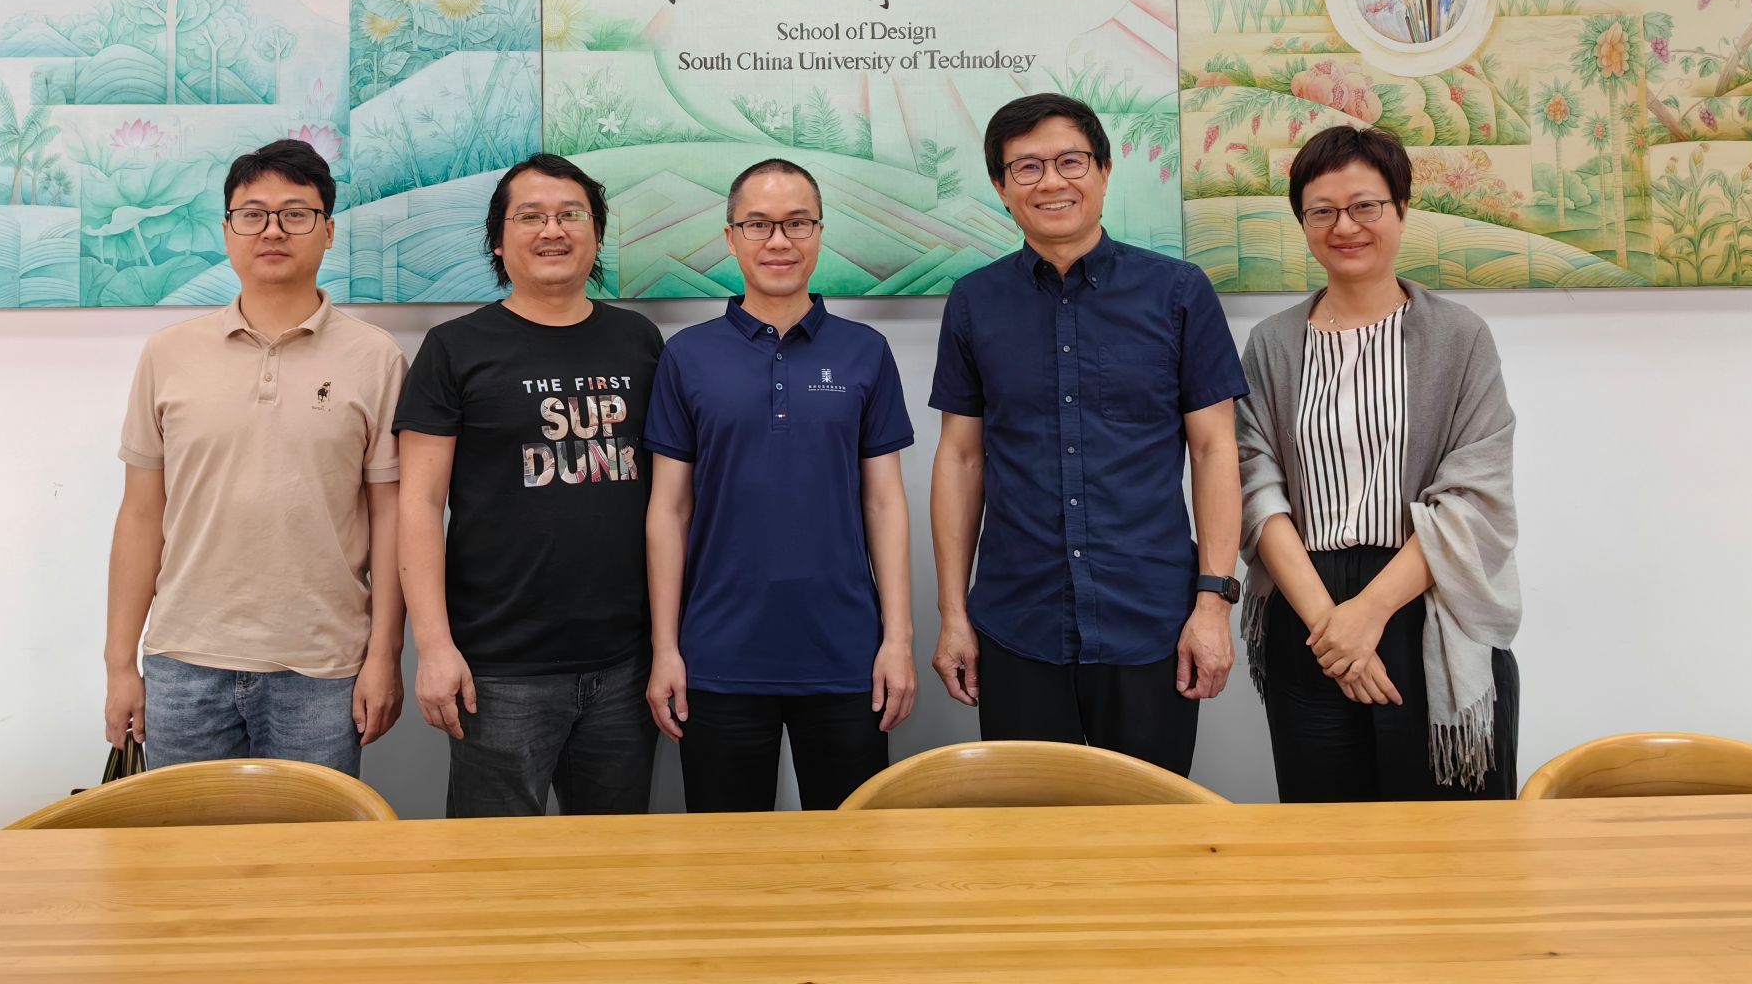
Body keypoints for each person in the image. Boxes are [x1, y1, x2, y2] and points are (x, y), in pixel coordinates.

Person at [928, 93, 1245, 776]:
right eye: (1027, 167)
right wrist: (953, 614)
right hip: (1018, 619)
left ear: (1103, 171)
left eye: (1070, 161)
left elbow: (1215, 449)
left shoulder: (1178, 292)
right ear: (1001, 187)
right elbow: (960, 459)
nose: (1051, 182)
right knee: (1028, 826)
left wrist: (1213, 603)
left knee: (1149, 826)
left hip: (1151, 617)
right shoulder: (975, 302)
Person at [105, 138, 407, 774]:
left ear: (328, 231)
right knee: (187, 838)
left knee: (313, 839)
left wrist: (384, 656)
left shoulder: (376, 357)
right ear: (227, 231)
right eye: (253, 214)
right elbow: (140, 514)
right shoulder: (168, 353)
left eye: (296, 213)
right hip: (185, 662)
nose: (273, 230)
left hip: (323, 667)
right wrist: (119, 664)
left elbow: (392, 519)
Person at [1238, 124, 1521, 799]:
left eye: (1365, 205)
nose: (1345, 226)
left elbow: (1475, 495)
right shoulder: (1272, 344)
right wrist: (1330, 625)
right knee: (1327, 834)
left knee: (1449, 833)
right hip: (1306, 612)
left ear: (1401, 209)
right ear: (1303, 221)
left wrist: (1367, 614)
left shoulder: (1460, 337)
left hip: (1424, 599)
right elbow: (1254, 484)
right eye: (1323, 211)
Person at [644, 158, 917, 811]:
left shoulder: (865, 351)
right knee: (727, 856)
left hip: (846, 654)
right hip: (718, 656)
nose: (779, 241)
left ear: (819, 233)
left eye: (797, 223)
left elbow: (885, 503)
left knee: (851, 852)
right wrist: (665, 649)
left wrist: (898, 641)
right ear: (731, 236)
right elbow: (668, 511)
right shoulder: (687, 355)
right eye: (758, 224)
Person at [395, 153, 663, 817]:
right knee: (493, 863)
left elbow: (670, 500)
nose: (553, 230)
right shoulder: (454, 348)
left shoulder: (639, 341)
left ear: (596, 234)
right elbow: (419, 505)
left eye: (571, 215)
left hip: (625, 664)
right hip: (499, 669)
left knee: (612, 859)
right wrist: (434, 647)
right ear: (498, 238)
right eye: (531, 216)